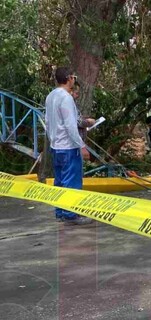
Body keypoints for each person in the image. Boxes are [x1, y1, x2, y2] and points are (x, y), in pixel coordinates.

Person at [45, 67, 93, 225]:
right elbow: (70, 126)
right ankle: (71, 214)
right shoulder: (66, 98)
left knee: (59, 181)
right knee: (71, 181)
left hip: (56, 146)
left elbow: (48, 122)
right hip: (68, 147)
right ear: (68, 78)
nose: (74, 79)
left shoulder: (51, 96)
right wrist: (82, 145)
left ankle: (60, 212)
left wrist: (53, 140)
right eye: (73, 77)